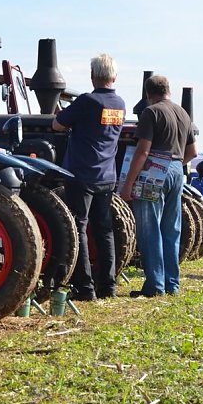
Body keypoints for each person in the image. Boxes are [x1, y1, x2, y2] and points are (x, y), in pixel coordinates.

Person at [52, 54, 126, 300]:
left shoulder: (87, 101)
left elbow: (57, 125)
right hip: (107, 175)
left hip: (82, 174)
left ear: (93, 76)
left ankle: (85, 288)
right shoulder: (119, 104)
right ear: (114, 76)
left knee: (80, 228)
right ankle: (109, 286)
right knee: (104, 230)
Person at [120, 75, 197, 297]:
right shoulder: (183, 113)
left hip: (155, 170)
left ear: (148, 94)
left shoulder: (150, 112)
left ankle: (155, 285)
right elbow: (192, 152)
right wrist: (173, 166)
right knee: (171, 229)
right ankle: (172, 283)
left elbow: (143, 151)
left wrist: (128, 185)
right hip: (176, 170)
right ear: (168, 91)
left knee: (149, 228)